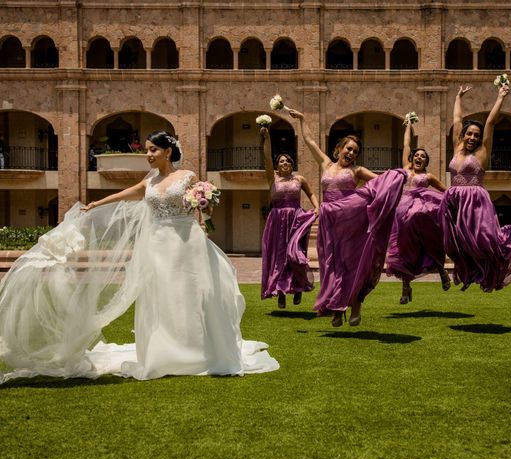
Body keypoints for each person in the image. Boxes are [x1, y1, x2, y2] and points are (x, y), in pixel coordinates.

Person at [0, 131, 278, 383]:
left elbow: (202, 205)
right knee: (161, 295)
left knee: (191, 293)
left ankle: (198, 348)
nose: (148, 154)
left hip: (186, 242)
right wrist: (98, 202)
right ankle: (163, 350)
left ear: (168, 151)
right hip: (157, 243)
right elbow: (129, 193)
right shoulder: (150, 181)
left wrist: (205, 213)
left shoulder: (188, 176)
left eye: (152, 150)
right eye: (146, 149)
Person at [288, 109, 406, 327]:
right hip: (328, 222)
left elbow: (382, 182)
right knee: (331, 265)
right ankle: (335, 307)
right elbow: (310, 141)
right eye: (348, 149)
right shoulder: (325, 164)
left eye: (355, 151)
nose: (351, 153)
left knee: (351, 264)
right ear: (339, 149)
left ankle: (356, 304)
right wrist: (303, 119)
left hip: (350, 221)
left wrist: (399, 175)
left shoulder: (357, 170)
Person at [440, 85, 511, 291]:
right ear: (463, 135)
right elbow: (457, 120)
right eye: (469, 134)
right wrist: (457, 98)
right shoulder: (457, 147)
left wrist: (500, 97)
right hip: (454, 201)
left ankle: (489, 272)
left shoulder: (482, 152)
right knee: (456, 244)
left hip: (475, 200)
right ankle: (469, 272)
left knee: (482, 241)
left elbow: (490, 122)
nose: (472, 137)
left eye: (476, 135)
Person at [386, 121, 450, 304]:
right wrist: (407, 126)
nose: (419, 158)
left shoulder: (427, 177)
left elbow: (445, 190)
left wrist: (458, 199)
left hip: (422, 216)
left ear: (426, 162)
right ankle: (406, 289)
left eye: (423, 156)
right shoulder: (405, 171)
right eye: (417, 155)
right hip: (402, 217)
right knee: (404, 253)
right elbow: (406, 145)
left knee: (431, 243)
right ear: (412, 159)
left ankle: (441, 270)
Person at [259, 127, 319, 308]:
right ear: (277, 166)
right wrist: (267, 137)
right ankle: (281, 292)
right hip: (277, 222)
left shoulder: (299, 179)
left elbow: (311, 194)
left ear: (292, 164)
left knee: (296, 255)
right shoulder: (273, 179)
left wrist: (316, 208)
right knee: (280, 256)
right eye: (282, 161)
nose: (285, 163)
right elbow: (267, 158)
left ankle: (299, 288)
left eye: (288, 161)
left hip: (296, 221)